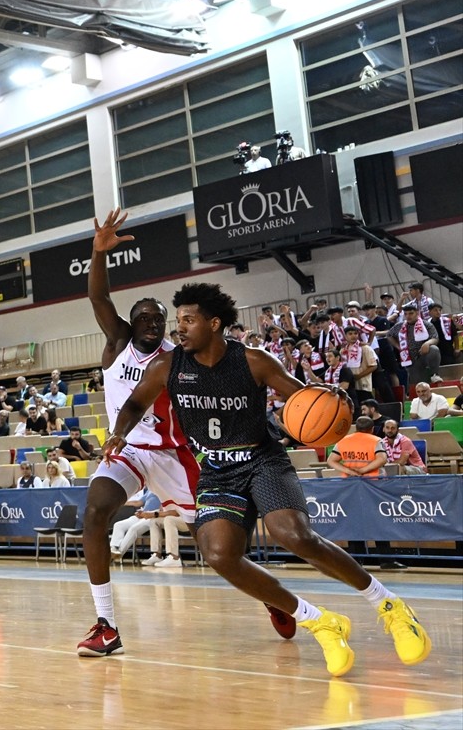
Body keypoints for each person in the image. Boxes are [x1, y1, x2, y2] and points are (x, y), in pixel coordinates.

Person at [106, 281, 430, 677]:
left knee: (293, 535)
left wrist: (330, 404)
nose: (179, 328)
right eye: (178, 321)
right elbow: (136, 402)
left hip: (263, 460)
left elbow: (302, 401)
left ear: (214, 323)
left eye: (188, 321)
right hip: (217, 469)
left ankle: (390, 606)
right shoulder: (167, 366)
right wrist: (119, 433)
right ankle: (319, 621)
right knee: (220, 554)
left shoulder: (254, 361)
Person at [77, 210, 199, 658]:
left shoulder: (177, 356)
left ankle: (268, 596)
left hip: (171, 453)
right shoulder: (119, 343)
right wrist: (97, 253)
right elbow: (98, 297)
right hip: (124, 448)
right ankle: (106, 624)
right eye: (144, 317)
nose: (152, 323)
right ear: (131, 324)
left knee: (215, 541)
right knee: (94, 513)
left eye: (159, 319)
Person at [389, 304, 441, 387]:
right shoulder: (399, 326)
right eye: (406, 314)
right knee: (417, 385)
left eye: (411, 313)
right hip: (411, 358)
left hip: (424, 354)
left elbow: (435, 338)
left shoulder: (426, 324)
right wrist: (398, 347)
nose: (408, 316)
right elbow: (389, 335)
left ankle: (435, 374)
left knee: (434, 349)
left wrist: (427, 343)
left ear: (417, 313)